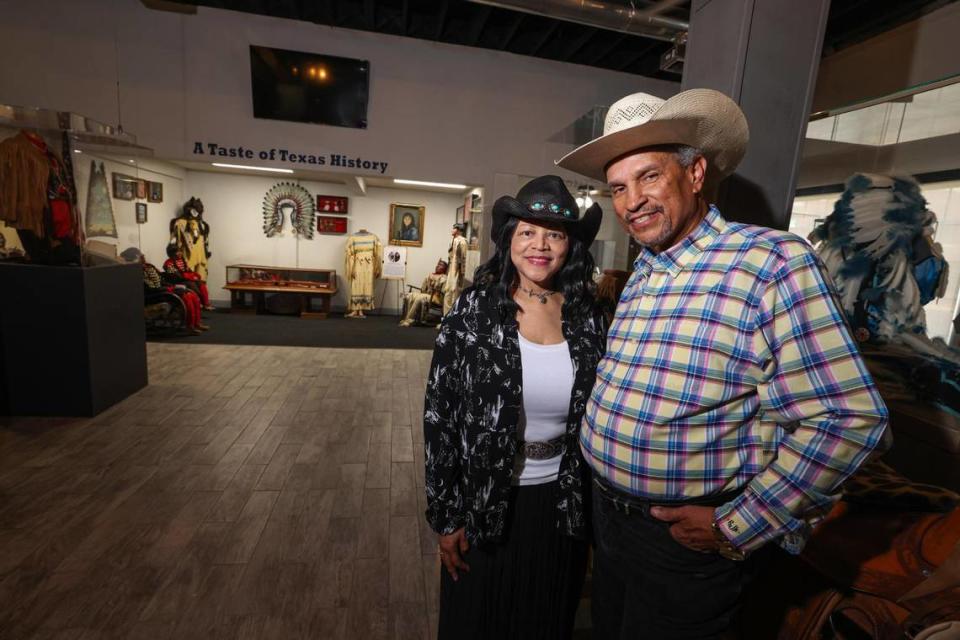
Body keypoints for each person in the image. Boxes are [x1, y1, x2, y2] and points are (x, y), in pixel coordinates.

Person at [556, 88, 890, 638]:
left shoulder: (772, 262)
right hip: (609, 522)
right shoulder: (645, 269)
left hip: (684, 542)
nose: (631, 200)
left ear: (694, 173)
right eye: (618, 187)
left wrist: (741, 523)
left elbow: (851, 418)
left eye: (649, 177)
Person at [423, 175, 605, 639]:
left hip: (562, 505)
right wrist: (448, 516)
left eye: (554, 234)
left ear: (571, 245)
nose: (539, 245)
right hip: (486, 503)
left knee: (544, 620)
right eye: (527, 231)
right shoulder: (473, 311)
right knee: (478, 621)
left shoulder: (589, 317)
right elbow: (439, 418)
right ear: (510, 239)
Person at [163, 244, 213, 310]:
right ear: (172, 254)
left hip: (186, 279)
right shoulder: (168, 264)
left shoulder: (182, 260)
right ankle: (199, 302)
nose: (180, 253)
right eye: (178, 252)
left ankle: (205, 302)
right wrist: (191, 277)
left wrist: (194, 275)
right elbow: (178, 276)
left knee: (201, 283)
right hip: (177, 281)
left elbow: (188, 270)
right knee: (193, 285)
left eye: (180, 251)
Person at [399, 259, 447, 327]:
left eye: (440, 265)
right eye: (437, 264)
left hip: (436, 297)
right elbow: (423, 289)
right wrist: (427, 282)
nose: (437, 266)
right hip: (426, 294)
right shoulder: (430, 275)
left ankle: (409, 319)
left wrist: (435, 288)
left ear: (444, 268)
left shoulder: (444, 278)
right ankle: (405, 317)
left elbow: (443, 291)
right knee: (410, 295)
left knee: (419, 298)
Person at [442, 222, 468, 315]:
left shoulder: (462, 242)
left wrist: (461, 275)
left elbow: (463, 259)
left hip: (456, 273)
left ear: (457, 230)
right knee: (448, 294)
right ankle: (446, 318)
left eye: (453, 228)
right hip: (452, 271)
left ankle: (451, 319)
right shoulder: (454, 240)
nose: (452, 230)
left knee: (453, 295)